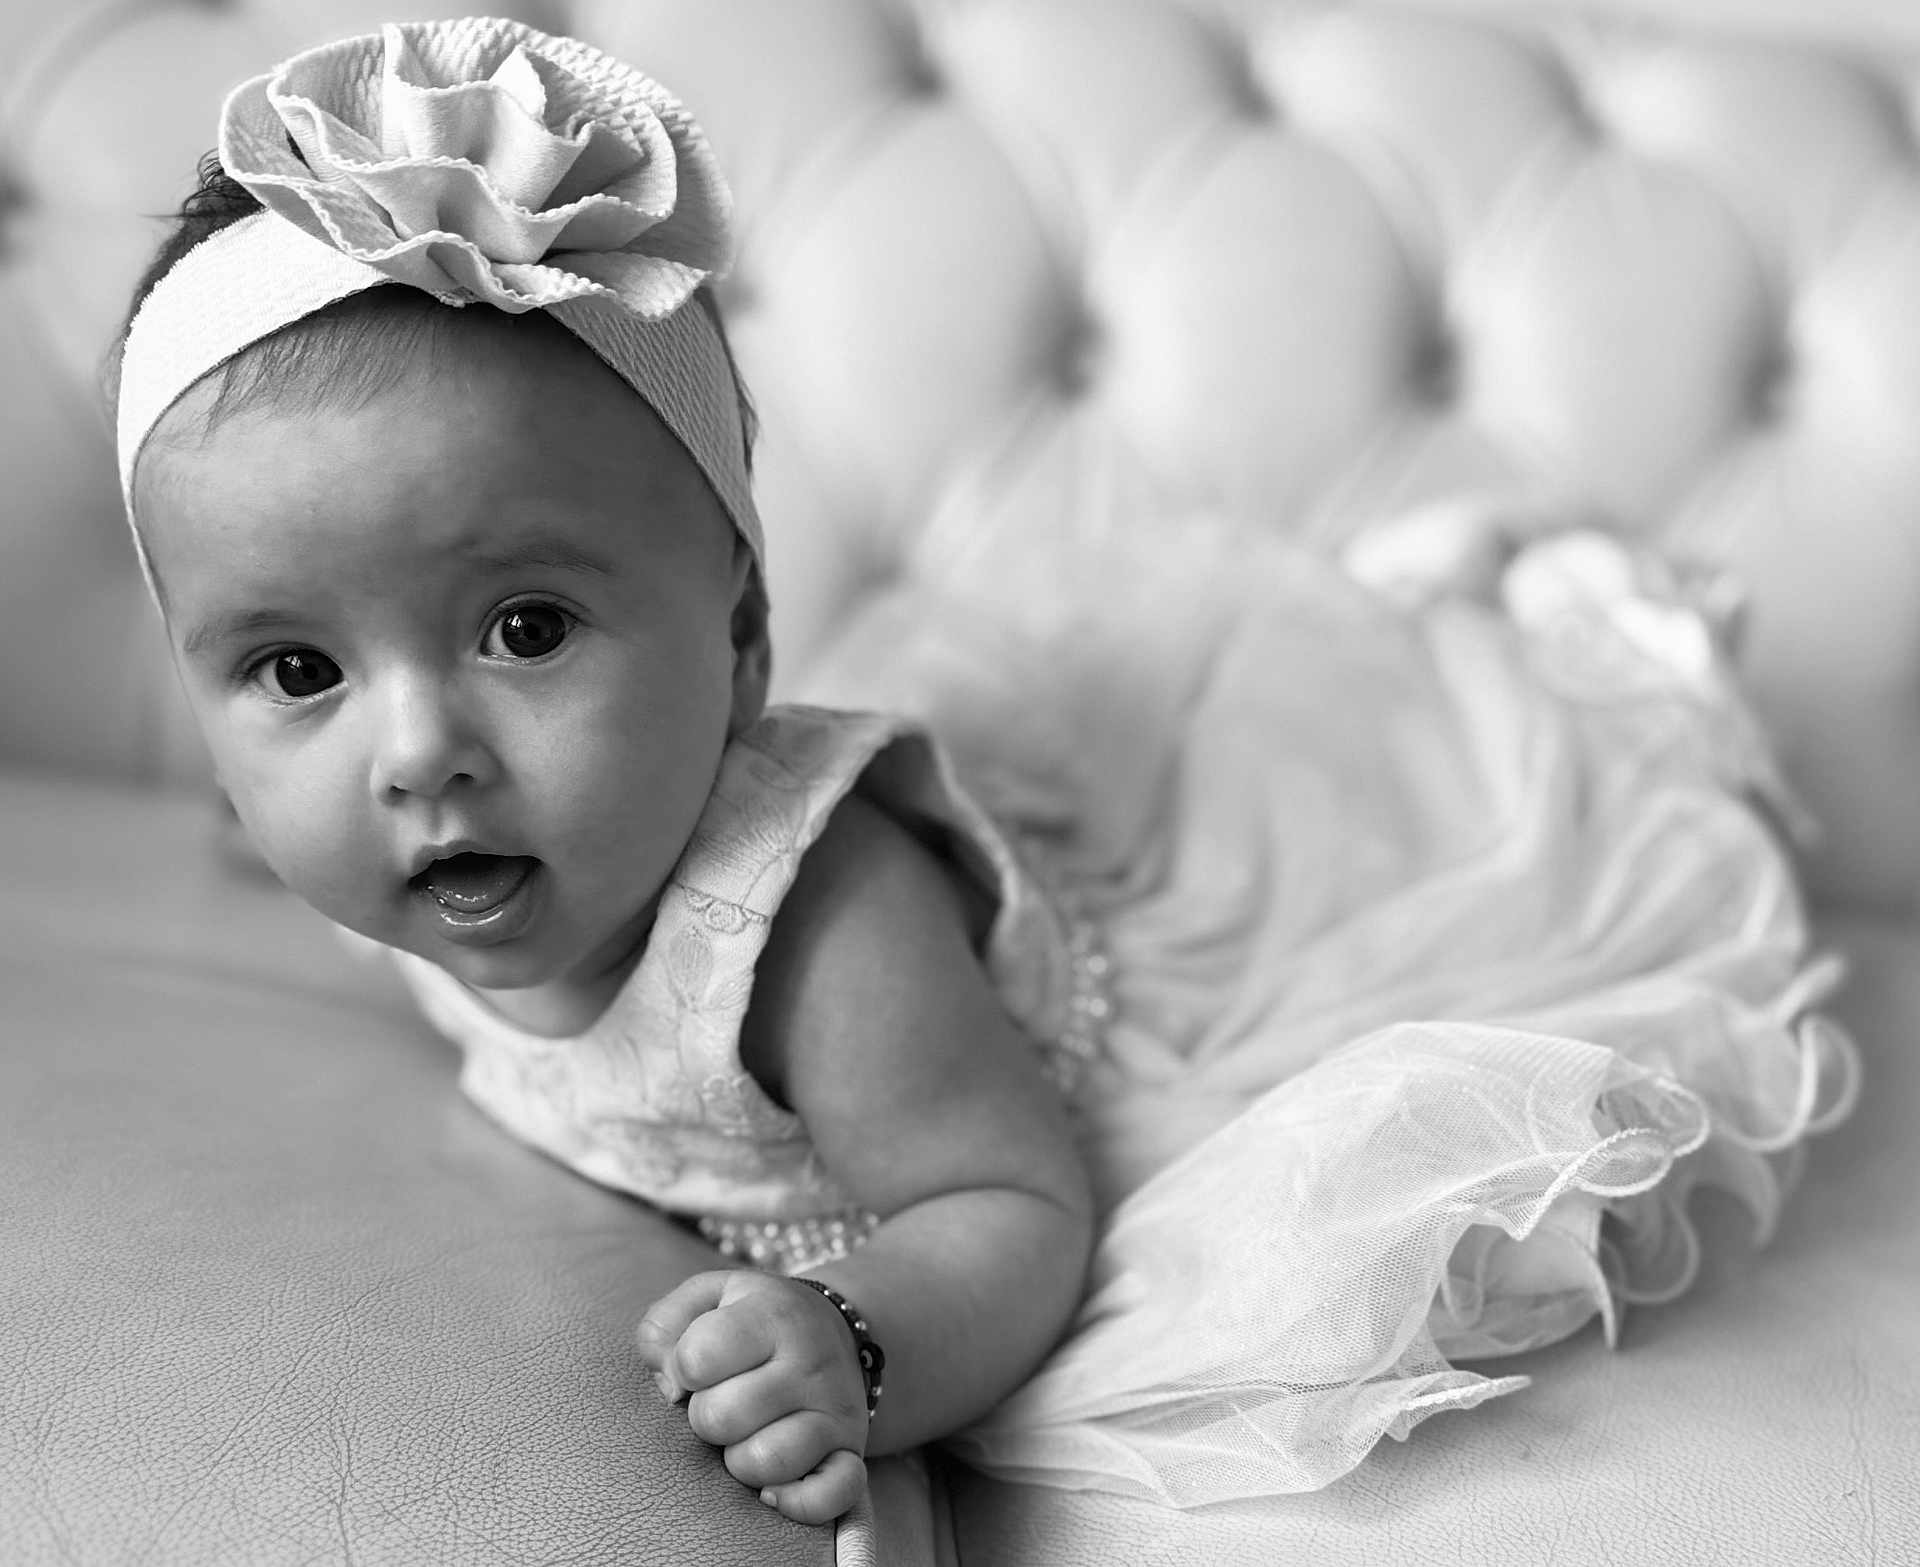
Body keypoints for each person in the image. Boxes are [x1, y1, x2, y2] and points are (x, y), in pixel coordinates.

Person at [112, 16, 1859, 1525]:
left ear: (738, 643)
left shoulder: (813, 930)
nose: (418, 757)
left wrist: (855, 1347)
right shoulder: (441, 834)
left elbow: (1008, 1203)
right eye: (296, 672)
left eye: (526, 632)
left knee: (1445, 770)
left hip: (1166, 974)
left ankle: (1542, 639)